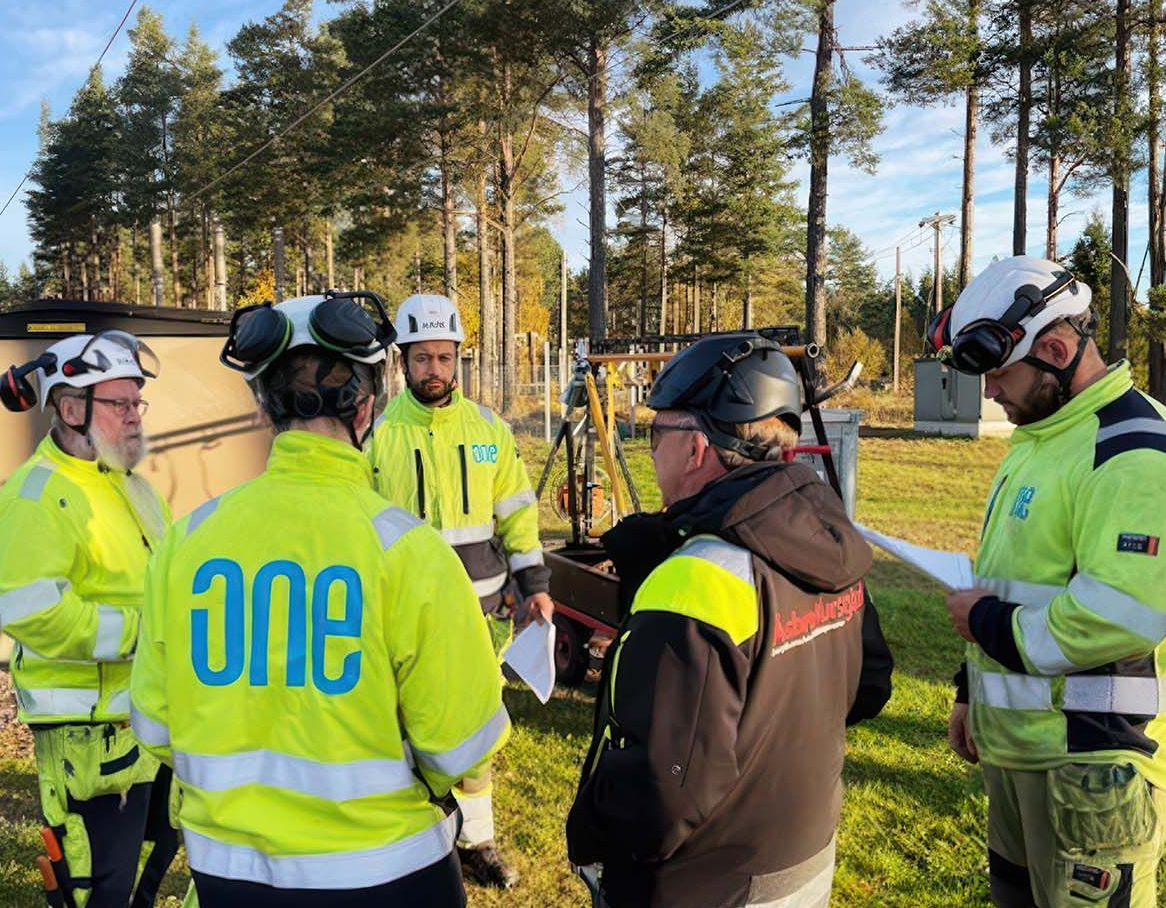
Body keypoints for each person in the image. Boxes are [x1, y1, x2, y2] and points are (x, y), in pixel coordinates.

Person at [129, 291, 510, 908]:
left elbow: (154, 723)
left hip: (228, 875)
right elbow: (462, 743)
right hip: (389, 870)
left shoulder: (185, 543)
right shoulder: (410, 552)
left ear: (261, 407)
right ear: (367, 405)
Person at [566, 332, 893, 908]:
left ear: (695, 449)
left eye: (656, 434)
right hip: (802, 859)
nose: (652, 451)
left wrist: (588, 828)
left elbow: (661, 793)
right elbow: (868, 687)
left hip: (707, 884)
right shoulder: (826, 539)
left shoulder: (695, 583)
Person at [936, 256, 1166, 908]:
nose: (989, 393)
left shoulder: (1134, 450)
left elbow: (1119, 615)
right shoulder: (1042, 439)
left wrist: (983, 625)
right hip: (1020, 753)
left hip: (1093, 766)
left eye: (998, 375)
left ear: (1057, 351)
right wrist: (971, 691)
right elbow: (1014, 579)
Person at [368, 293, 552, 889]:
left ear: (458, 359)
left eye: (444, 358)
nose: (434, 370)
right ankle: (411, 845)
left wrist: (534, 585)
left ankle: (477, 843)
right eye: (422, 358)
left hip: (480, 615)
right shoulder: (375, 436)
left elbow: (517, 514)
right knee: (401, 736)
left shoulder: (489, 431)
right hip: (400, 620)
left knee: (474, 734)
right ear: (402, 360)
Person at [0, 331, 178, 908]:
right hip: (85, 739)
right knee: (96, 889)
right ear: (71, 407)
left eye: (136, 402)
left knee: (150, 870)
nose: (134, 416)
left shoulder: (128, 485)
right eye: (119, 403)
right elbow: (31, 611)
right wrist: (144, 635)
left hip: (142, 719)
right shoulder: (37, 495)